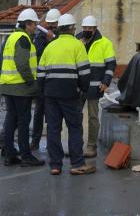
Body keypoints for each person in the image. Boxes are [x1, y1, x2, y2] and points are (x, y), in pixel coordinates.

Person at [37, 12, 94, 175]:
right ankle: (77, 164)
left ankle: (55, 165)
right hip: (70, 95)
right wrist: (82, 89)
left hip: (51, 95)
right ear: (71, 29)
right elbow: (84, 72)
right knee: (75, 128)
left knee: (53, 129)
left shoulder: (50, 46)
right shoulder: (78, 46)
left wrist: (44, 91)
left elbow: (40, 73)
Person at [0, 8, 45, 167]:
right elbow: (22, 64)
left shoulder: (10, 37)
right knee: (24, 121)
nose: (35, 28)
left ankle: (10, 153)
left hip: (7, 85)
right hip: (21, 87)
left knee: (11, 119)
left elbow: (0, 63)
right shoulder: (24, 39)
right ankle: (26, 155)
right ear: (27, 24)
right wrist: (32, 83)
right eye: (33, 25)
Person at [77, 15, 116, 158]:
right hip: (78, 87)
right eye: (85, 28)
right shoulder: (76, 41)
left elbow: (111, 64)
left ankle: (91, 146)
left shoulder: (104, 43)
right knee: (76, 116)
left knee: (93, 117)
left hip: (95, 86)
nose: (86, 30)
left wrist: (106, 81)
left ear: (95, 29)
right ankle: (76, 145)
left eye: (89, 28)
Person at [30, 7, 61, 151]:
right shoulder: (41, 36)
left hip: (55, 80)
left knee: (53, 115)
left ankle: (51, 143)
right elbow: (39, 55)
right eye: (50, 24)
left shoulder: (61, 36)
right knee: (39, 112)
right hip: (43, 80)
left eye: (54, 25)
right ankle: (35, 141)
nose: (51, 27)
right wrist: (47, 41)